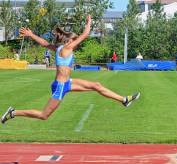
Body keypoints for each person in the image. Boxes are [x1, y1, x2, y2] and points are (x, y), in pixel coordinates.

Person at [1, 15, 140, 124]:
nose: (76, 44)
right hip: (60, 86)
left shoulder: (59, 48)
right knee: (44, 115)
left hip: (67, 83)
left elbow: (44, 43)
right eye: (74, 41)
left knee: (96, 85)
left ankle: (123, 100)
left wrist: (31, 35)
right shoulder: (67, 48)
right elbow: (85, 34)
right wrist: (89, 22)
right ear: (69, 41)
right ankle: (13, 113)